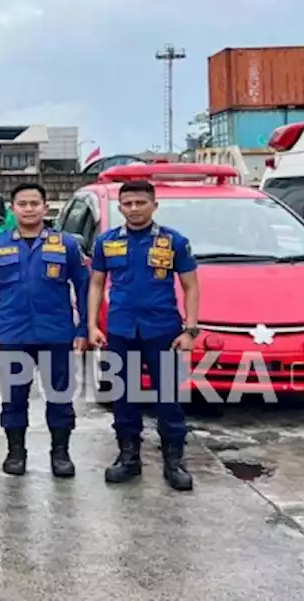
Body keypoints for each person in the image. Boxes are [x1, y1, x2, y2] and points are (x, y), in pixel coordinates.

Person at [87, 178, 199, 492]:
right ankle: (128, 457)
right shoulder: (106, 242)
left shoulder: (174, 241)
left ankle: (174, 461)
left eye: (141, 203)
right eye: (128, 204)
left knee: (168, 398)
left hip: (163, 330)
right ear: (120, 207)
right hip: (121, 330)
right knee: (124, 397)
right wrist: (93, 325)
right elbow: (96, 284)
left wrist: (190, 329)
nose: (134, 209)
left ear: (154, 205)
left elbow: (191, 286)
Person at [0, 183, 89, 477]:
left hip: (57, 333)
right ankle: (16, 453)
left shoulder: (66, 244)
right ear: (13, 209)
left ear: (45, 207)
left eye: (34, 203)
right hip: (12, 335)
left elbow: (84, 286)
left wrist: (83, 329)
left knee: (60, 396)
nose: (29, 209)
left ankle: (60, 453)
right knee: (13, 398)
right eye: (22, 204)